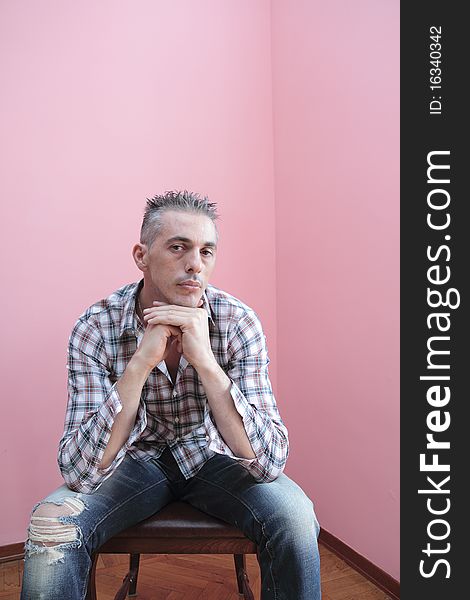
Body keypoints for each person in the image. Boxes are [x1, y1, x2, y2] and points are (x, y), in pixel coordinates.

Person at [21, 190, 321, 600]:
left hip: (213, 457)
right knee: (50, 528)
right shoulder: (96, 326)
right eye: (178, 247)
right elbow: (79, 471)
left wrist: (206, 364)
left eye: (206, 251)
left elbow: (269, 462)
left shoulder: (237, 322)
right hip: (134, 463)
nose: (195, 264)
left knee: (295, 516)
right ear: (141, 256)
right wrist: (140, 364)